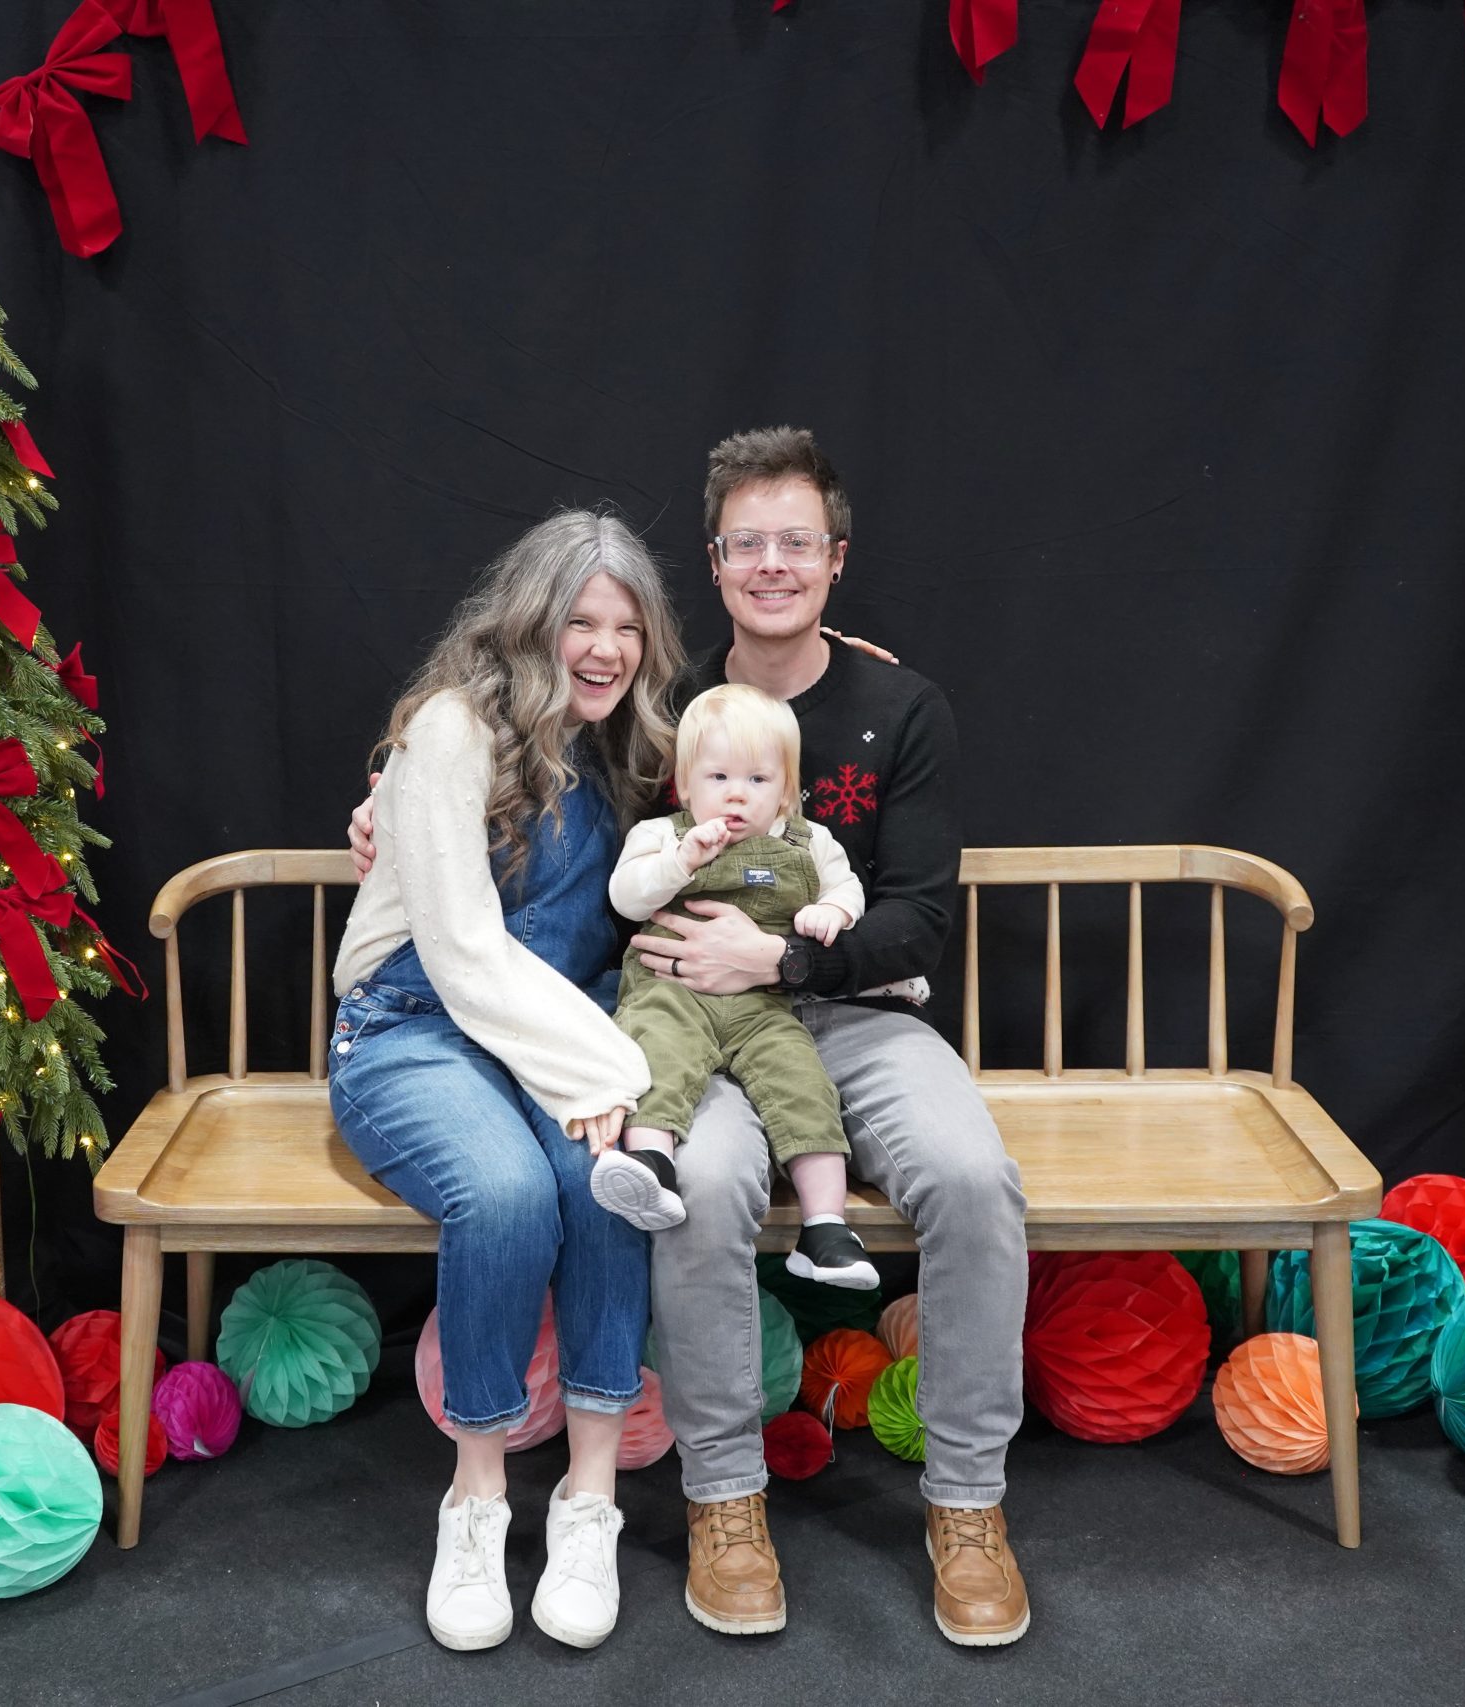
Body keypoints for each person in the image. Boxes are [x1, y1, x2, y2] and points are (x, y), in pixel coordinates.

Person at [352, 430, 1031, 1648]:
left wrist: (783, 960)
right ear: (714, 565)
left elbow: (922, 917)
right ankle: (721, 1501)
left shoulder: (896, 706)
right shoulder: (666, 711)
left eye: (797, 544)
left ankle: (969, 1504)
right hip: (675, 1023)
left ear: (835, 558)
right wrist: (387, 806)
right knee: (685, 1182)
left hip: (851, 1013)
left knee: (974, 1176)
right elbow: (508, 805)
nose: (773, 566)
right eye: (747, 545)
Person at [327, 509, 685, 1654]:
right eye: (581, 621)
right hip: (413, 1025)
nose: (605, 648)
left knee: (601, 1184)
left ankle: (589, 1498)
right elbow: (463, 953)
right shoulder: (450, 730)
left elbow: (758, 760)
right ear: (529, 621)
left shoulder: (631, 745)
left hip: (550, 1030)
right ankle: (476, 1497)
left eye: (627, 627)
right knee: (507, 1191)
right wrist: (612, 1070)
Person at [588, 683, 881, 1293]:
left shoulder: (810, 842)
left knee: (803, 1082)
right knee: (654, 1052)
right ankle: (651, 1164)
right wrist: (680, 862)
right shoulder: (661, 835)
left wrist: (832, 912)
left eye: (758, 779)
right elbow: (626, 897)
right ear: (685, 784)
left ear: (786, 790)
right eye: (718, 777)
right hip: (672, 992)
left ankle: (826, 1228)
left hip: (763, 1006)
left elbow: (848, 888)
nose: (737, 794)